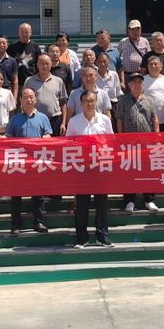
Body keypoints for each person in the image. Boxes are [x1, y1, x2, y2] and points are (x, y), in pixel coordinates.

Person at [66, 89, 115, 248]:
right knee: (82, 204)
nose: (90, 104)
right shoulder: (74, 121)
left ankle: (102, 237)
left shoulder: (105, 120)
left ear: (97, 102)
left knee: (102, 204)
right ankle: (82, 238)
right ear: (81, 103)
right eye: (86, 101)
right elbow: (68, 143)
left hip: (100, 167)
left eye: (92, 101)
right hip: (82, 169)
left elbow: (111, 141)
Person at [5, 89, 52, 234]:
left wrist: (46, 138)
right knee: (16, 194)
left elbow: (48, 135)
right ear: (21, 100)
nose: (28, 100)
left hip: (36, 161)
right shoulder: (14, 119)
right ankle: (16, 224)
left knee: (38, 194)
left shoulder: (43, 118)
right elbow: (8, 138)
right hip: (19, 161)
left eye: (31, 97)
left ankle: (39, 222)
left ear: (35, 99)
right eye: (25, 97)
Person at [114, 73, 159, 213]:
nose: (137, 85)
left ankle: (149, 200)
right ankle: (129, 200)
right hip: (129, 142)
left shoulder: (149, 100)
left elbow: (154, 118)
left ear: (143, 85)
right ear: (129, 85)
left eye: (139, 82)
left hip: (147, 142)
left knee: (148, 170)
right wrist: (120, 137)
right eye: (134, 82)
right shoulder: (123, 100)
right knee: (129, 171)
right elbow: (119, 119)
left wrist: (157, 135)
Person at [23, 53, 68, 135]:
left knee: (54, 143)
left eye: (47, 63)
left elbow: (63, 103)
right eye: (42, 63)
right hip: (35, 120)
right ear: (37, 65)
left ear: (51, 64)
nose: (44, 66)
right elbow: (24, 101)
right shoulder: (29, 81)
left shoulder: (58, 81)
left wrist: (63, 123)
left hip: (54, 120)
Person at [7, 22, 42, 87]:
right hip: (16, 83)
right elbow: (8, 63)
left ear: (30, 33)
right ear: (18, 33)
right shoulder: (12, 46)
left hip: (32, 82)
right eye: (22, 32)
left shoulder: (35, 46)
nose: (24, 34)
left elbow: (39, 63)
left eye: (26, 32)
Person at [142, 56, 164, 130]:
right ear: (147, 67)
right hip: (149, 121)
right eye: (151, 64)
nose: (153, 66)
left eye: (155, 64)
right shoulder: (143, 80)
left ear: (161, 66)